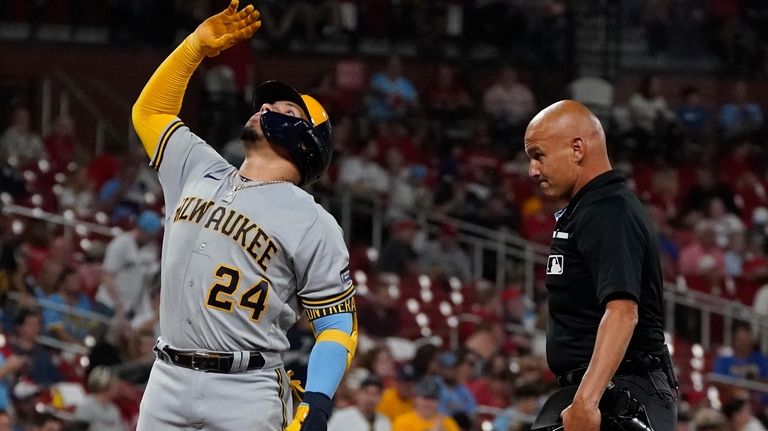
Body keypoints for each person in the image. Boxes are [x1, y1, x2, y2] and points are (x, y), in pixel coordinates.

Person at [131, 2, 357, 430]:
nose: (265, 106)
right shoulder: (198, 166)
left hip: (247, 388)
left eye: (285, 110)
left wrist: (318, 400)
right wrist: (195, 46)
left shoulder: (314, 221)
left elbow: (337, 325)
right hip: (166, 378)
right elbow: (150, 113)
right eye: (266, 102)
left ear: (309, 142)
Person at [523, 100, 676, 430]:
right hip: (599, 388)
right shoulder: (588, 209)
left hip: (622, 391)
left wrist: (587, 400)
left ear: (577, 148)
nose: (532, 170)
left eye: (538, 155)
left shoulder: (608, 210)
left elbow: (623, 311)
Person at [327, 376, 391, 431]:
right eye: (367, 393)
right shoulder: (341, 416)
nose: (371, 398)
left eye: (375, 394)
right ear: (358, 394)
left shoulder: (385, 421)